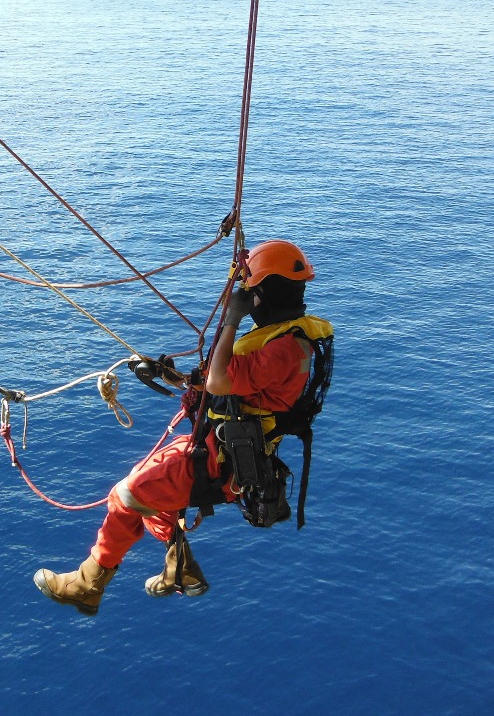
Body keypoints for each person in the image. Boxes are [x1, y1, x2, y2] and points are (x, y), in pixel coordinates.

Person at [33, 239, 333, 616]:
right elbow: (232, 385)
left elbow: (220, 383)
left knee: (125, 496)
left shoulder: (285, 348)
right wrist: (170, 375)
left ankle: (87, 585)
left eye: (250, 292)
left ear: (263, 293)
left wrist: (231, 320)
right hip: (217, 448)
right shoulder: (290, 338)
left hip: (220, 461)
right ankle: (183, 572)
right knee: (152, 492)